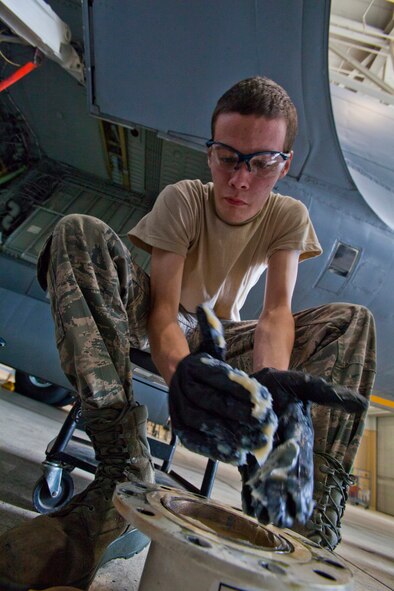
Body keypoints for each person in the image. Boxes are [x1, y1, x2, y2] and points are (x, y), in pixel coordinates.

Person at [0, 76, 376, 590]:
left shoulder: (288, 215)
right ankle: (123, 468)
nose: (241, 180)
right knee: (78, 233)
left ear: (283, 164)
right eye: (228, 157)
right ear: (209, 154)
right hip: (165, 318)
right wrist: (182, 374)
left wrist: (269, 387)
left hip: (227, 338)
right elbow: (159, 310)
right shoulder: (183, 198)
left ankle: (304, 524)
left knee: (351, 322)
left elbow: (276, 314)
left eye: (262, 163)